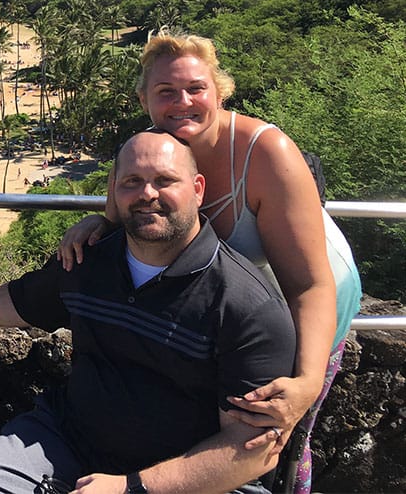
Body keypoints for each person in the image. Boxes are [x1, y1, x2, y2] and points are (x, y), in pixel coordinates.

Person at [0, 130, 296, 494]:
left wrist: (131, 486)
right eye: (131, 182)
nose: (147, 193)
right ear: (114, 191)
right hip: (72, 441)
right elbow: (18, 301)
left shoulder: (246, 304)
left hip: (188, 477)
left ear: (197, 190)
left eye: (164, 181)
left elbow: (249, 450)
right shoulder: (90, 261)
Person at [57, 31, 361, 493]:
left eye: (196, 89)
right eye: (166, 92)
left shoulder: (266, 153)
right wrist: (94, 227)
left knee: (280, 439)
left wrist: (307, 381)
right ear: (145, 100)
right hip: (239, 306)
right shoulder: (147, 146)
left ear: (220, 92)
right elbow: (123, 218)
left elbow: (310, 285)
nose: (183, 102)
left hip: (309, 295)